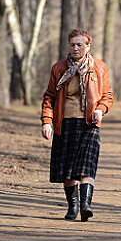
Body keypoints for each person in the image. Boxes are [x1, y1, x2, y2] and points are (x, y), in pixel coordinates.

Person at [41, 29, 114, 222]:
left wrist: (100, 109)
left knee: (86, 166)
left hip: (90, 123)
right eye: (72, 44)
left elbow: (107, 95)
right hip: (64, 123)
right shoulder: (59, 68)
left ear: (88, 46)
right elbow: (49, 97)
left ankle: (85, 205)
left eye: (80, 44)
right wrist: (47, 122)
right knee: (68, 169)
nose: (75, 48)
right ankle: (72, 206)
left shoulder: (99, 67)